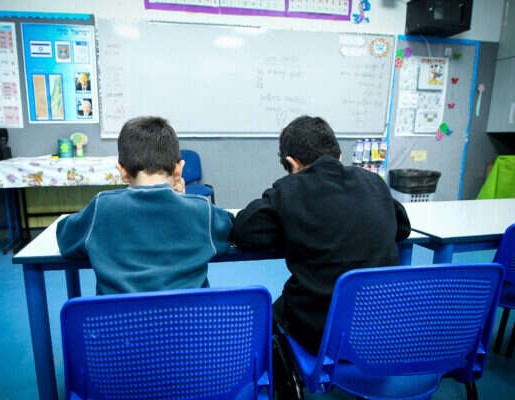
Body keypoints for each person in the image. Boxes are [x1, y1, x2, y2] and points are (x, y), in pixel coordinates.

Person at [230, 115, 411, 355]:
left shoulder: (290, 191)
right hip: (379, 326)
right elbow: (403, 227)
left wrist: (292, 229)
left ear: (292, 164)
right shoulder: (374, 183)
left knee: (271, 315)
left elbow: (243, 232)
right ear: (339, 156)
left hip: (319, 331)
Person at [57, 116, 233, 294]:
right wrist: (184, 199)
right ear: (178, 170)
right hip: (186, 312)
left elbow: (65, 239)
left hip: (120, 313)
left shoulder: (101, 208)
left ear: (123, 172)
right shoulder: (202, 211)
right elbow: (230, 229)